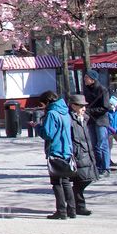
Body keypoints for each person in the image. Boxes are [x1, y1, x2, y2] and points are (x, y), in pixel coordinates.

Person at [36, 90, 75, 220]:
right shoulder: (65, 112)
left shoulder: (52, 114)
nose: (42, 107)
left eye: (42, 104)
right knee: (66, 181)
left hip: (55, 150)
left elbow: (48, 133)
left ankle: (61, 210)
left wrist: (37, 127)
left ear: (47, 102)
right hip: (66, 149)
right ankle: (72, 209)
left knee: (57, 182)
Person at [68, 94, 98, 217]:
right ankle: (78, 205)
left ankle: (77, 205)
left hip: (87, 152)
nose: (84, 108)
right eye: (81, 106)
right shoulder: (70, 119)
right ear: (73, 106)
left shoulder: (84, 118)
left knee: (87, 179)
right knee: (81, 180)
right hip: (78, 153)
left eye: (84, 106)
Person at [82, 69, 112, 177]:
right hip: (90, 120)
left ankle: (106, 168)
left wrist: (89, 111)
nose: (84, 79)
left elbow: (105, 107)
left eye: (86, 77)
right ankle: (98, 166)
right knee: (94, 145)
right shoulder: (86, 90)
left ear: (93, 79)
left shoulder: (102, 90)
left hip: (101, 120)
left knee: (102, 144)